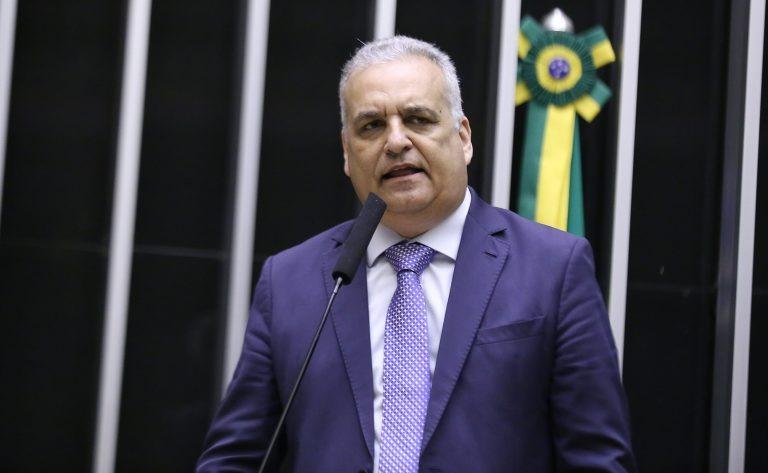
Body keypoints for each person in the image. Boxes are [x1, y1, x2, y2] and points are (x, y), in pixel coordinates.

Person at [197, 36, 636, 473]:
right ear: (347, 153)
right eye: (371, 126)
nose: (395, 142)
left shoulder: (553, 269)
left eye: (418, 119)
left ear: (463, 137)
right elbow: (235, 459)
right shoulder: (291, 281)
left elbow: (598, 460)